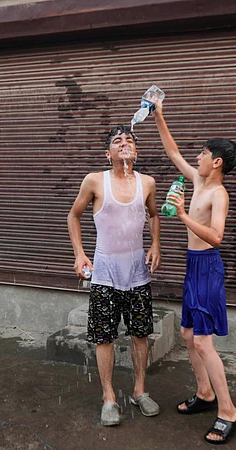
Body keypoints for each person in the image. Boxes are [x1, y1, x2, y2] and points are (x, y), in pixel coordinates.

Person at [153, 100, 236, 444]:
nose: (196, 159)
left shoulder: (218, 194)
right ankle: (205, 394)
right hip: (193, 267)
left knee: (204, 342)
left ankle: (228, 412)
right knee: (189, 336)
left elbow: (217, 237)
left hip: (207, 268)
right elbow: (173, 151)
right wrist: (159, 114)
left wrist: (183, 216)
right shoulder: (198, 181)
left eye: (202, 155)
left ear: (216, 161)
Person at [67, 125, 162, 426]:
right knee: (104, 337)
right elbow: (74, 215)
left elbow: (154, 215)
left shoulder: (147, 182)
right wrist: (79, 253)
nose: (124, 143)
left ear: (137, 151)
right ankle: (109, 397)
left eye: (129, 140)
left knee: (140, 334)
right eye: (117, 141)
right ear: (107, 153)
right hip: (105, 273)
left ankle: (139, 391)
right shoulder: (95, 181)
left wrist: (156, 243)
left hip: (137, 273)